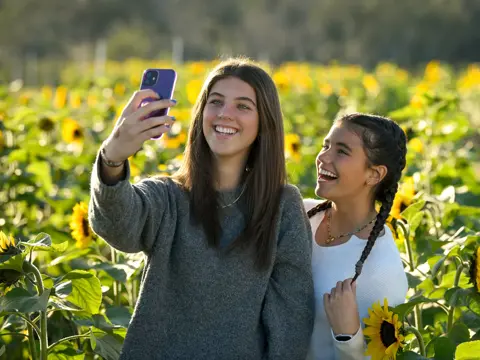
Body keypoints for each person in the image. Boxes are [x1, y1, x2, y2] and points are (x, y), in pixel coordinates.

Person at [88, 58, 314, 360]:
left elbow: (291, 320)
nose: (225, 114)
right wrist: (112, 156)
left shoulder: (281, 206)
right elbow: (116, 226)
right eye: (216, 102)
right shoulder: (168, 197)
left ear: (265, 123)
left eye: (243, 106)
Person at [304, 113, 409, 360]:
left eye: (341, 151)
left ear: (374, 175)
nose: (323, 157)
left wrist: (348, 336)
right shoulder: (297, 215)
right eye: (325, 145)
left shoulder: (382, 271)